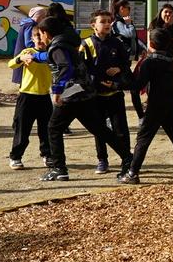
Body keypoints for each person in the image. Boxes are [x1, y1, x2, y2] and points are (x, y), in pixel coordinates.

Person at [38, 14, 130, 182]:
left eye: (40, 34)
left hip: (71, 93)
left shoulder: (57, 47)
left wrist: (58, 90)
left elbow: (65, 67)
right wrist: (35, 57)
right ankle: (128, 158)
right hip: (86, 91)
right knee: (99, 128)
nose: (39, 37)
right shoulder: (65, 43)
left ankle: (59, 168)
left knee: (53, 128)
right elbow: (55, 60)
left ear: (46, 32)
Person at [120, 21, 173, 184]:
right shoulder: (169, 60)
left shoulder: (149, 62)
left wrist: (121, 80)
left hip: (155, 105)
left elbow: (138, 85)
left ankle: (132, 173)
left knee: (143, 139)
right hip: (170, 105)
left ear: (152, 43)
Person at [81, 10, 134, 175]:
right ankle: (102, 160)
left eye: (108, 21)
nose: (107, 24)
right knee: (100, 130)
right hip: (96, 95)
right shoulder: (86, 44)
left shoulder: (117, 43)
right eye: (102, 21)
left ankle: (127, 160)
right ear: (93, 25)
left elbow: (126, 64)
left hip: (115, 94)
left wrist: (119, 69)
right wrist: (96, 80)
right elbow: (83, 69)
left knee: (121, 130)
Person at [6, 28, 53, 170]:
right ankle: (16, 157)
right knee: (22, 129)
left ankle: (47, 155)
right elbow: (11, 64)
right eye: (36, 36)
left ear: (47, 37)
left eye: (41, 35)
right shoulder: (28, 52)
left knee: (46, 130)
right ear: (32, 39)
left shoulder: (51, 54)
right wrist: (21, 58)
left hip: (44, 96)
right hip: (27, 96)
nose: (39, 38)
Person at [111, 0, 145, 120]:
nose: (129, 10)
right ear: (121, 9)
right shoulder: (119, 23)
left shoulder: (124, 22)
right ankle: (141, 116)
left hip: (125, 63)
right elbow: (130, 34)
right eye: (128, 8)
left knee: (121, 89)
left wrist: (142, 48)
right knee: (130, 88)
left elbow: (133, 40)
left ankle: (141, 116)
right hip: (120, 63)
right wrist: (129, 24)